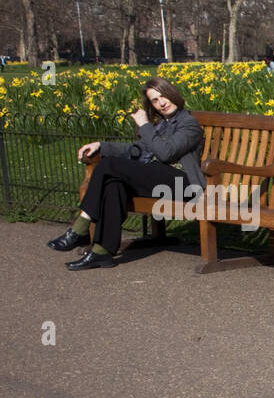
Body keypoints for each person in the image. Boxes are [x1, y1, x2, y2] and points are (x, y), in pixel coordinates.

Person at [48, 76, 204, 270]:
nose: (161, 103)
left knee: (110, 166)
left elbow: (166, 153)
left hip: (182, 184)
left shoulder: (189, 124)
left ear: (172, 94)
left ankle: (80, 228)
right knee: (114, 185)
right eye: (155, 100)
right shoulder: (161, 125)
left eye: (163, 96)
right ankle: (101, 251)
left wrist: (145, 125)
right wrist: (100, 146)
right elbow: (135, 149)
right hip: (157, 178)